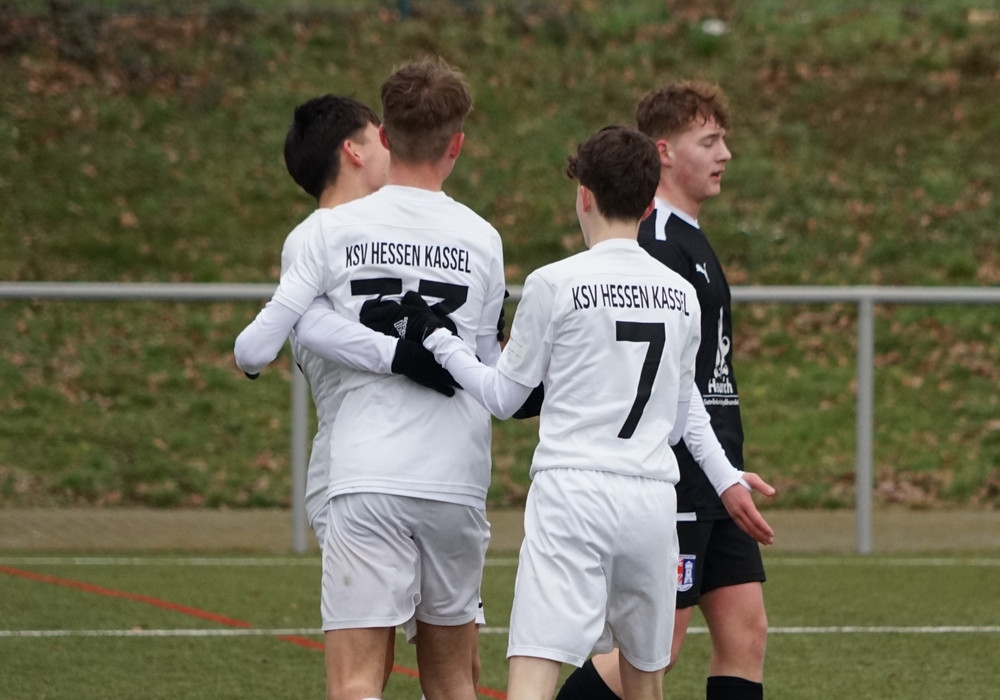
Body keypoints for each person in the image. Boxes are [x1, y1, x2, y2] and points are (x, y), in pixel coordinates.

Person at [363, 125, 766, 700]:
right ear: (649, 205)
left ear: (584, 195)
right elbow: (681, 419)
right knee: (645, 680)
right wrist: (723, 475)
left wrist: (434, 335)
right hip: (653, 500)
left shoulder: (555, 282)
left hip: (572, 495)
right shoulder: (681, 293)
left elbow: (503, 398)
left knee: (535, 671)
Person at [235, 57, 505, 700]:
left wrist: (395, 353)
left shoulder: (327, 234)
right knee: (454, 680)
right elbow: (490, 367)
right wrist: (410, 354)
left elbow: (270, 341)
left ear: (385, 134)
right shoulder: (483, 238)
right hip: (454, 474)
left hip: (367, 468)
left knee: (360, 679)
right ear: (457, 144)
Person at [556, 81, 773, 700]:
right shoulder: (652, 245)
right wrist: (708, 468)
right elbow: (662, 383)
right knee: (657, 648)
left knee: (746, 632)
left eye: (723, 139)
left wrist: (726, 469)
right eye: (708, 141)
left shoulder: (690, 238)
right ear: (664, 152)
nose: (724, 153)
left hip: (715, 474)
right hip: (675, 476)